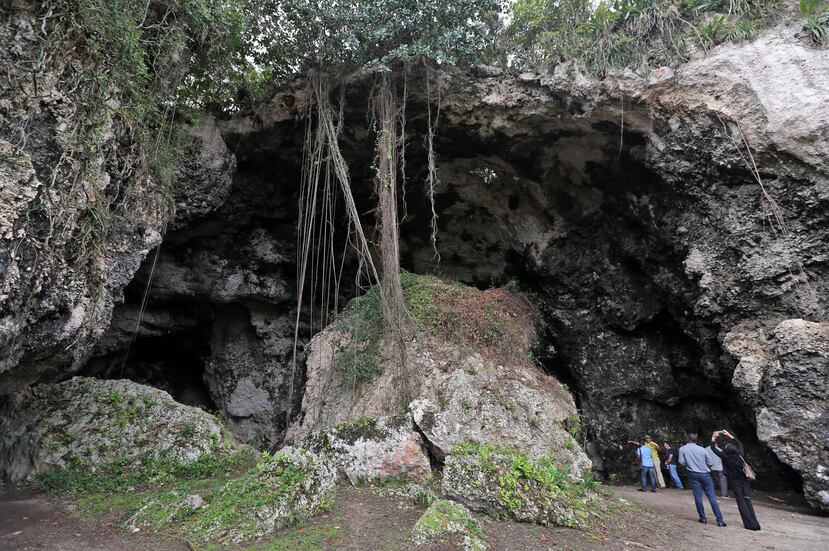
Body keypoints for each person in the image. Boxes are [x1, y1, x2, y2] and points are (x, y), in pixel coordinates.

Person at [710, 430, 761, 531]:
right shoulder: (740, 453)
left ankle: (749, 524)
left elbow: (713, 448)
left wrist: (713, 438)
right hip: (744, 479)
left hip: (734, 480)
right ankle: (756, 524)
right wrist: (730, 436)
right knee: (747, 500)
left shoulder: (725, 456)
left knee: (741, 501)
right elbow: (739, 443)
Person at [678, 432, 726, 526]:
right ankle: (719, 520)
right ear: (696, 440)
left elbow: (681, 462)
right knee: (712, 496)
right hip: (705, 474)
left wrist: (690, 463)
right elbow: (710, 463)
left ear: (687, 439)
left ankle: (703, 518)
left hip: (692, 474)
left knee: (698, 496)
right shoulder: (702, 450)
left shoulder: (682, 449)